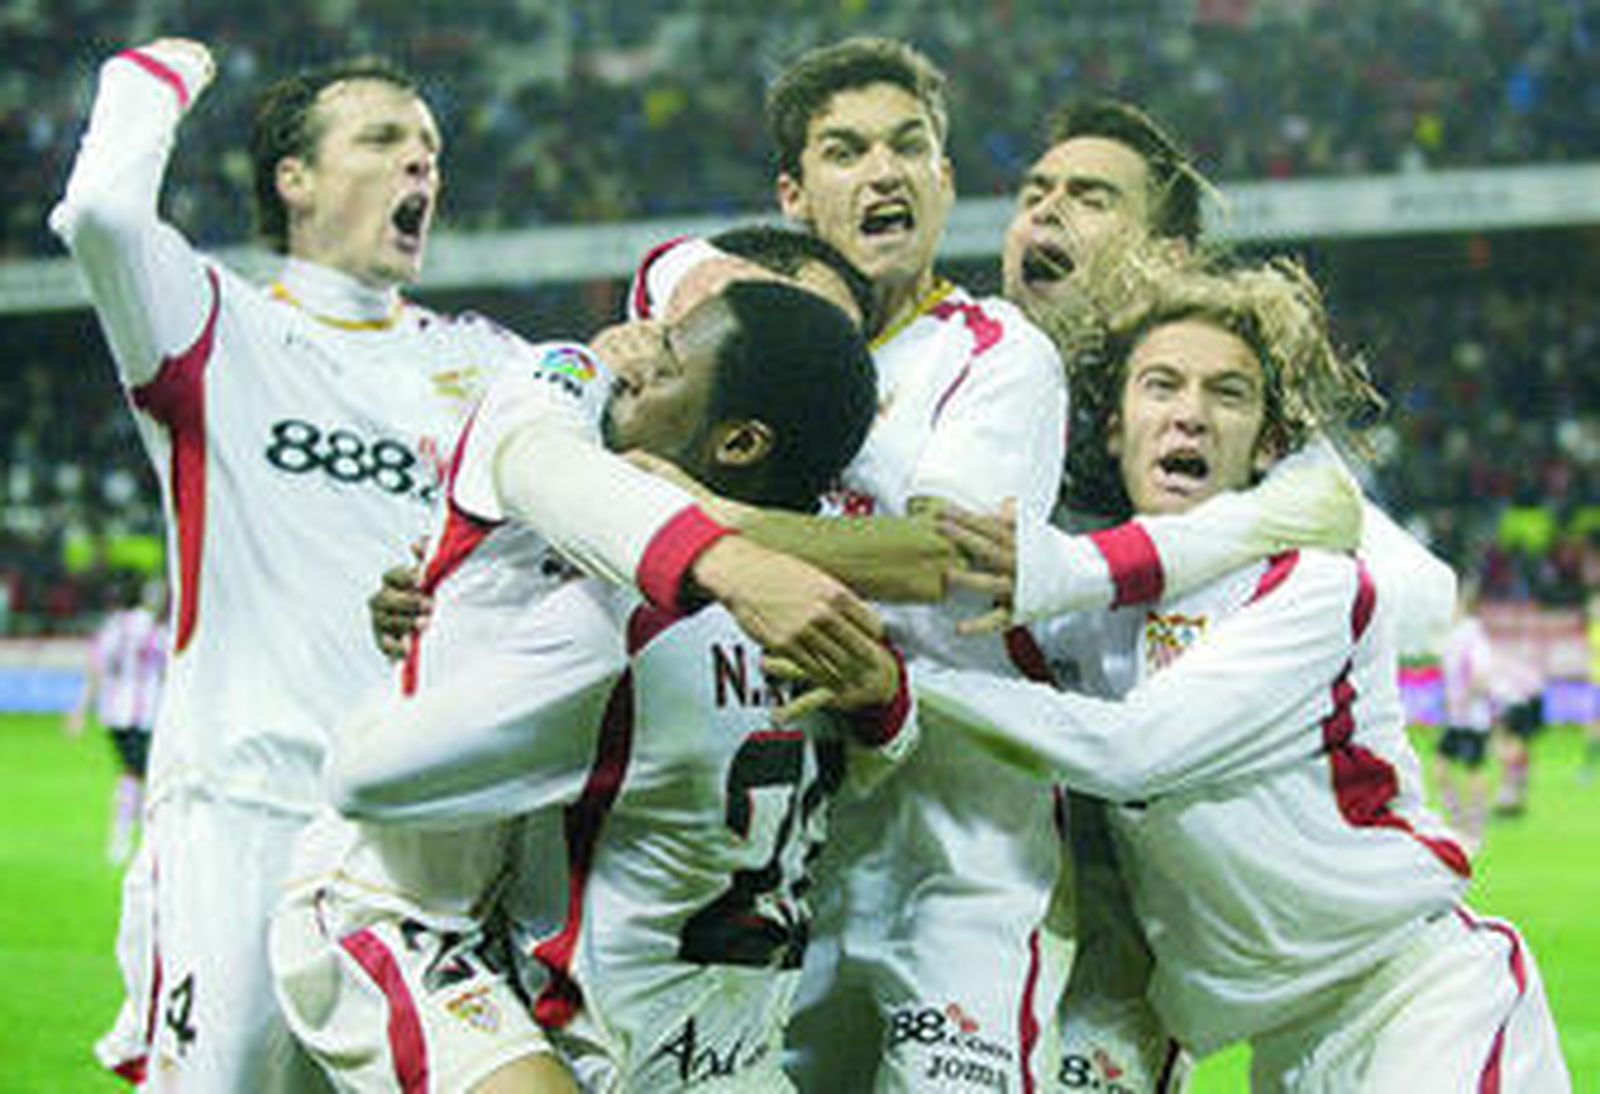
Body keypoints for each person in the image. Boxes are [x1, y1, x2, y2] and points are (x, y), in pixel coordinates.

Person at [52, 38, 831, 1090]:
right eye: (383, 140)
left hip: (442, 831)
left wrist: (691, 281)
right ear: (295, 179)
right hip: (255, 795)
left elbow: (654, 354)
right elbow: (101, 212)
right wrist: (159, 72)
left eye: (430, 148)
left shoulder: (483, 358)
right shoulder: (213, 324)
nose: (421, 166)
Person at [922, 256, 1571, 1091]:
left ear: (1269, 442)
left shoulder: (1313, 581)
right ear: (1114, 424)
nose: (1189, 414)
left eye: (1227, 394)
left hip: (1420, 1000)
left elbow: (1132, 751)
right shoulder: (1086, 619)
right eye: (1160, 386)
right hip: (1286, 1051)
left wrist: (911, 685)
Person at [273, 277, 907, 1093]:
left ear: (742, 443)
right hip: (424, 923)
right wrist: (887, 703)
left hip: (568, 990)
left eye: (671, 360)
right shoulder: (825, 610)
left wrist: (427, 663)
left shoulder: (629, 618)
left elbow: (365, 774)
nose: (637, 359)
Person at [65, 577, 169, 865]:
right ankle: (129, 838)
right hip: (144, 714)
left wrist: (79, 711)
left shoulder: (113, 627)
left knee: (134, 773)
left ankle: (128, 836)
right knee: (142, 775)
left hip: (114, 714)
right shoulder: (155, 630)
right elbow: (168, 672)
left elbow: (96, 668)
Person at [1434, 580, 1495, 849]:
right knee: (1441, 768)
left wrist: (1464, 700)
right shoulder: (1454, 635)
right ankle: (1458, 821)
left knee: (1473, 770)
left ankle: (1474, 827)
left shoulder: (1473, 635)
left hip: (1472, 718)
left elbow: (1481, 676)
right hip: (1457, 717)